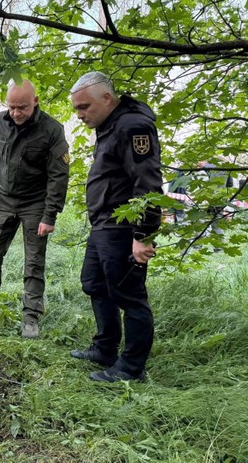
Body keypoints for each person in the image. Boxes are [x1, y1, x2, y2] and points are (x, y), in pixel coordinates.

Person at [69, 71, 163, 383]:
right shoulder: (109, 125)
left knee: (129, 295)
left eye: (84, 107)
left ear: (106, 98)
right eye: (77, 109)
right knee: (94, 283)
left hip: (124, 228)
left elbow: (147, 183)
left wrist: (143, 235)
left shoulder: (132, 125)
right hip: (104, 225)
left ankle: (130, 369)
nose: (80, 114)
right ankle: (105, 348)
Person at [0, 80, 70, 339]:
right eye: (12, 107)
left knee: (33, 263)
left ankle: (30, 318)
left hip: (35, 205)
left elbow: (58, 175)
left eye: (23, 108)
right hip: (4, 202)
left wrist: (49, 214)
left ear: (36, 102)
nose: (16, 113)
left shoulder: (51, 130)